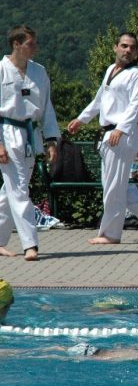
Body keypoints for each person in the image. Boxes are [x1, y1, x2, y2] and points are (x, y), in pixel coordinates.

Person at [67, 32, 138, 245]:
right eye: (124, 46)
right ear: (115, 48)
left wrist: (121, 128)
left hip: (121, 135)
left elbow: (136, 105)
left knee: (113, 188)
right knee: (114, 185)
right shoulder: (111, 70)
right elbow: (100, 99)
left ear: (136, 52)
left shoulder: (137, 75)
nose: (127, 50)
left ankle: (110, 234)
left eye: (132, 47)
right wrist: (82, 119)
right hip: (108, 134)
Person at [0, 25, 60, 261]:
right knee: (18, 189)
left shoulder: (39, 72)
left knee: (10, 191)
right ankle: (30, 244)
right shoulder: (1, 70)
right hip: (7, 133)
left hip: (30, 135)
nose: (35, 48)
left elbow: (47, 109)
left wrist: (52, 140)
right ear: (16, 44)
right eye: (30, 44)